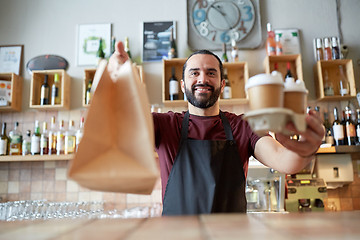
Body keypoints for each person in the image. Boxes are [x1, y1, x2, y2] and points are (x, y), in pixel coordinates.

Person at [108, 41, 324, 216]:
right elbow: (122, 127)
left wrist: (305, 149)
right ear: (182, 85)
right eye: (194, 73)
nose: (203, 78)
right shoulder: (165, 124)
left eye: (211, 73)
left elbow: (283, 159)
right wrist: (118, 81)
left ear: (222, 84)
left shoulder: (243, 126)